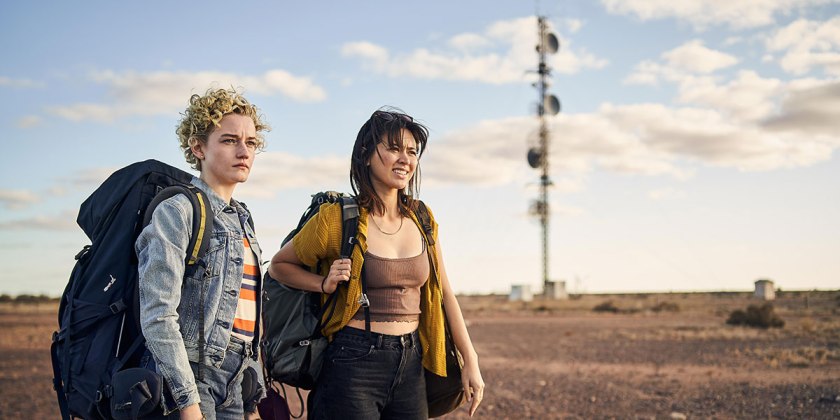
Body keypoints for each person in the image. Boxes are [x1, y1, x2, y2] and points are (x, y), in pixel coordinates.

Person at [268, 108, 485, 419]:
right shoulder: (336, 218)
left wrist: (470, 359)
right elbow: (279, 266)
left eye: (412, 151)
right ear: (366, 154)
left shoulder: (422, 217)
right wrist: (323, 284)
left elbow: (445, 293)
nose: (405, 159)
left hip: (412, 360)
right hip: (353, 361)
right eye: (394, 148)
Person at [136, 88, 270, 419]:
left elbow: (247, 317)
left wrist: (252, 399)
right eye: (229, 140)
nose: (244, 152)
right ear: (198, 147)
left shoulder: (243, 219)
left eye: (251, 142)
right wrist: (187, 400)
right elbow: (158, 313)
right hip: (193, 377)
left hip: (236, 382)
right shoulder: (178, 211)